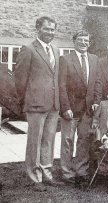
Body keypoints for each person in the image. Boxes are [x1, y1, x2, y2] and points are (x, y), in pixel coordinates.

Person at [14, 16, 63, 192]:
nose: (50, 32)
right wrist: (25, 101)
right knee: (34, 142)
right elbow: (19, 79)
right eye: (47, 28)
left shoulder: (56, 50)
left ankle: (46, 173)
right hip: (35, 104)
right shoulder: (28, 49)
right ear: (38, 29)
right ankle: (34, 178)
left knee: (48, 141)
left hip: (53, 104)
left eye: (53, 29)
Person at [58, 30, 103, 186]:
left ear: (89, 43)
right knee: (67, 140)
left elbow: (97, 82)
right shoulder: (65, 59)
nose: (83, 43)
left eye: (86, 40)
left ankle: (81, 171)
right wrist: (65, 107)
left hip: (88, 109)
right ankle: (67, 172)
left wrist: (96, 100)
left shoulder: (94, 59)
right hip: (70, 109)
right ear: (74, 41)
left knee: (84, 140)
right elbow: (61, 86)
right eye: (80, 40)